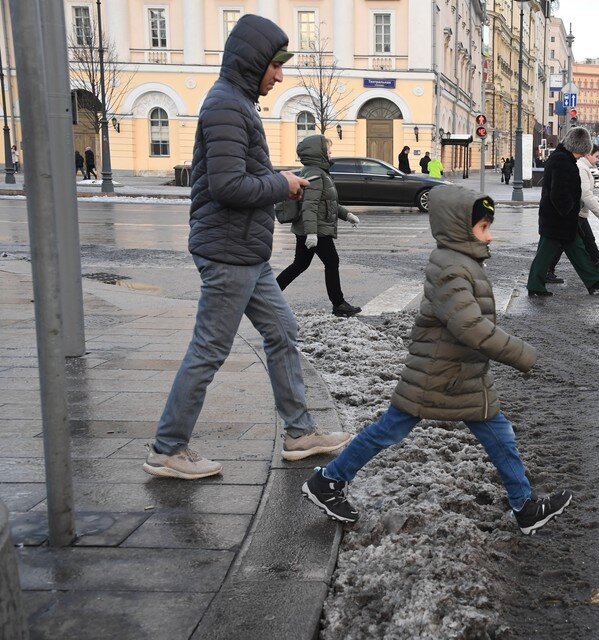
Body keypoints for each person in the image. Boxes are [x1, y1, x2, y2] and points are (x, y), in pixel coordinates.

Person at [143, 15, 350, 480]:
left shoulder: (237, 104)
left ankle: (299, 434)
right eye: (275, 65)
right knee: (209, 349)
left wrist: (280, 179)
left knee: (282, 331)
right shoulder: (225, 107)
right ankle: (168, 448)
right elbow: (227, 185)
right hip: (228, 251)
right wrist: (283, 183)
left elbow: (237, 171)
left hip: (246, 253)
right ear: (253, 62)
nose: (279, 75)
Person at [301, 185, 573, 534]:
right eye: (484, 228)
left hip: (458, 371)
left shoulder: (460, 262)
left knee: (496, 434)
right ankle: (329, 480)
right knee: (391, 430)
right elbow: (470, 326)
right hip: (440, 374)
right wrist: (522, 354)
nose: (490, 236)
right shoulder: (451, 269)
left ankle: (524, 506)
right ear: (461, 228)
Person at [275, 134, 362, 317]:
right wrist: (312, 234)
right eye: (328, 150)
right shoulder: (315, 174)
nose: (330, 153)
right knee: (332, 262)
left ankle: (269, 295)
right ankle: (338, 304)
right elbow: (309, 205)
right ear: (319, 153)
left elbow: (327, 203)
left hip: (310, 227)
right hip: (316, 228)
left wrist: (348, 215)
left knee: (300, 264)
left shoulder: (318, 172)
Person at [526, 127, 599, 297]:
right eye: (581, 152)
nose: (582, 156)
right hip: (559, 219)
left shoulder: (562, 159)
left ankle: (593, 280)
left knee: (577, 248)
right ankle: (535, 285)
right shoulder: (562, 161)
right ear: (577, 147)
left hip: (560, 218)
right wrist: (569, 210)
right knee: (546, 253)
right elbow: (559, 193)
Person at [546, 144, 599, 284]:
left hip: (578, 211)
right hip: (575, 212)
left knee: (584, 241)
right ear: (588, 154)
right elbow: (585, 194)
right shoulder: (581, 167)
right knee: (572, 243)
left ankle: (598, 268)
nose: (598, 159)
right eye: (597, 156)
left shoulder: (584, 167)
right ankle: (596, 269)